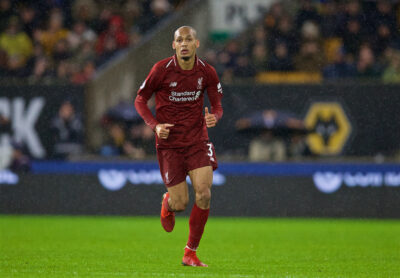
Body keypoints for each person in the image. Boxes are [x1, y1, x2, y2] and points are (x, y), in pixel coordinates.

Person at [134, 26, 223, 267]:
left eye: (188, 39)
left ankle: (190, 253)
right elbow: (140, 99)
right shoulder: (161, 70)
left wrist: (215, 116)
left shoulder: (207, 72)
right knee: (181, 203)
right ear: (173, 45)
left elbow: (217, 104)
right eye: (179, 40)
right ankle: (168, 203)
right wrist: (154, 125)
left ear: (197, 44)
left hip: (197, 140)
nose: (184, 43)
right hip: (169, 145)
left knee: (204, 194)